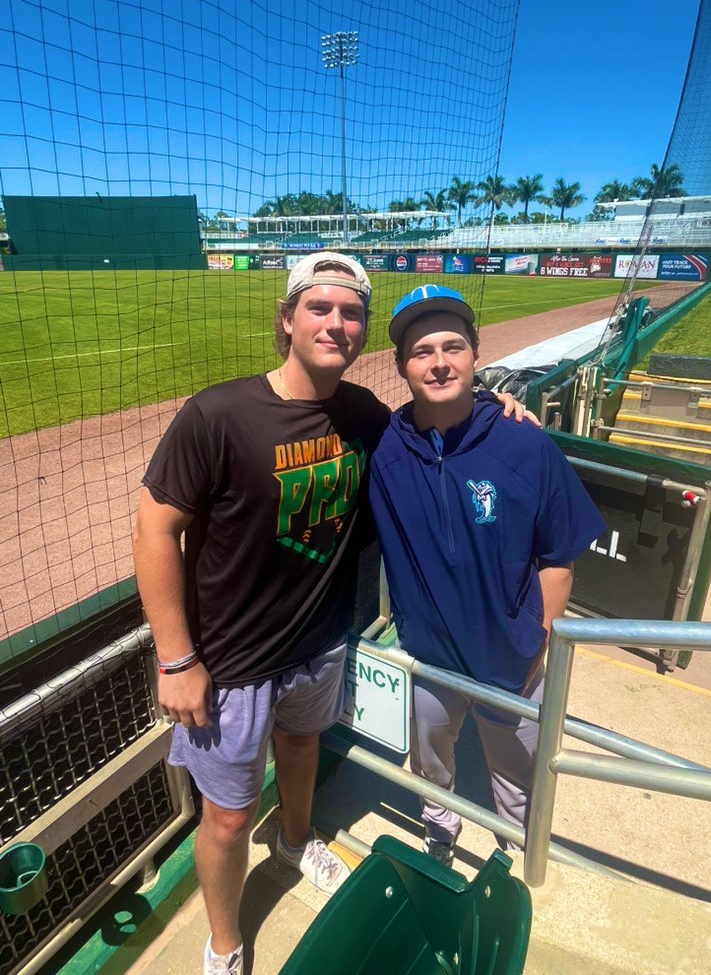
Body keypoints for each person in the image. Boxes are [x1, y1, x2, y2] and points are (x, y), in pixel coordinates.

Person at [132, 255, 529, 975]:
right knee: (227, 817)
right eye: (319, 308)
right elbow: (154, 531)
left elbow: (432, 425)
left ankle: (294, 840)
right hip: (229, 663)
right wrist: (176, 658)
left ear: (363, 331)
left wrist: (496, 408)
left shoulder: (363, 415)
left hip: (319, 644)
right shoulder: (218, 414)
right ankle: (223, 944)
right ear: (287, 319)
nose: (336, 324)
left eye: (351, 313)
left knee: (303, 748)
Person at [369, 285, 606, 867]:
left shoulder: (523, 441)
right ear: (401, 365)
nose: (439, 362)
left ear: (476, 355)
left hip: (513, 659)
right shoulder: (382, 450)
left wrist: (538, 643)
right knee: (431, 763)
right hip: (429, 659)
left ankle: (515, 846)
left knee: (519, 772)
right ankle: (440, 830)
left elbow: (558, 558)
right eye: (422, 351)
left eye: (453, 347)